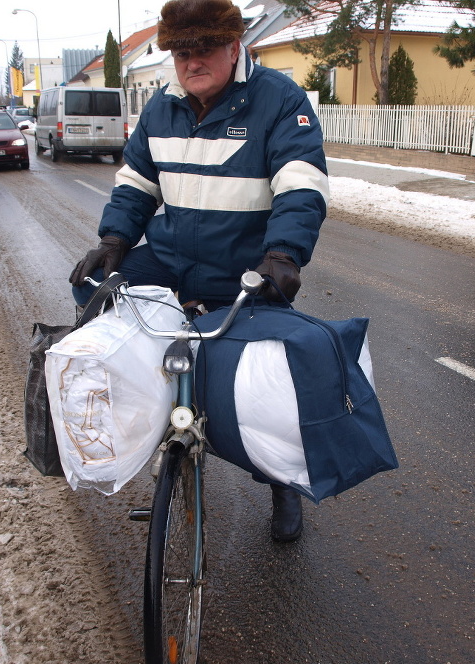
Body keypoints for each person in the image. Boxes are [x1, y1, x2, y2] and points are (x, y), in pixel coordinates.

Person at [69, 0, 329, 542]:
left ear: (234, 46)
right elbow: (137, 182)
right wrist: (115, 239)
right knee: (93, 289)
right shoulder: (162, 106)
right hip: (171, 258)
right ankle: (142, 412)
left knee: (266, 388)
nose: (191, 63)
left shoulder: (279, 100)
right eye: (181, 53)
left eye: (204, 50)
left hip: (244, 266)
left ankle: (281, 480)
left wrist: (283, 254)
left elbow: (301, 187)